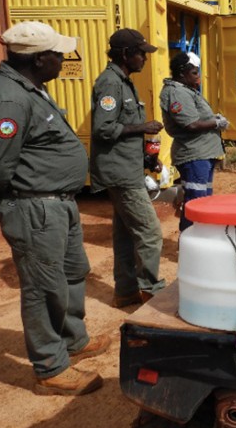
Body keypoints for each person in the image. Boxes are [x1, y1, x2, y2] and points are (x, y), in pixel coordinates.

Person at [0, 21, 110, 395]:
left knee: (71, 274)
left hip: (58, 205)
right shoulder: (9, 99)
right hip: (35, 208)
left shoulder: (32, 88)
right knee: (42, 287)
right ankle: (50, 367)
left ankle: (72, 340)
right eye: (58, 54)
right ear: (39, 59)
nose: (63, 59)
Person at [90, 28, 166, 308]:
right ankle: (151, 290)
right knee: (150, 232)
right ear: (125, 54)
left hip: (127, 166)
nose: (144, 59)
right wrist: (142, 127)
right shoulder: (110, 83)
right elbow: (103, 128)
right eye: (140, 53)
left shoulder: (123, 82)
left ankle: (126, 290)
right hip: (120, 172)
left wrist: (147, 158)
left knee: (125, 235)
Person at [160, 51, 227, 231]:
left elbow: (197, 117)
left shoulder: (187, 90)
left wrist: (213, 118)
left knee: (204, 201)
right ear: (182, 73)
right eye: (194, 73)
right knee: (195, 202)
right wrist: (215, 122)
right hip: (194, 155)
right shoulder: (177, 93)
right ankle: (190, 241)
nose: (198, 77)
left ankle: (201, 240)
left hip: (204, 154)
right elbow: (190, 124)